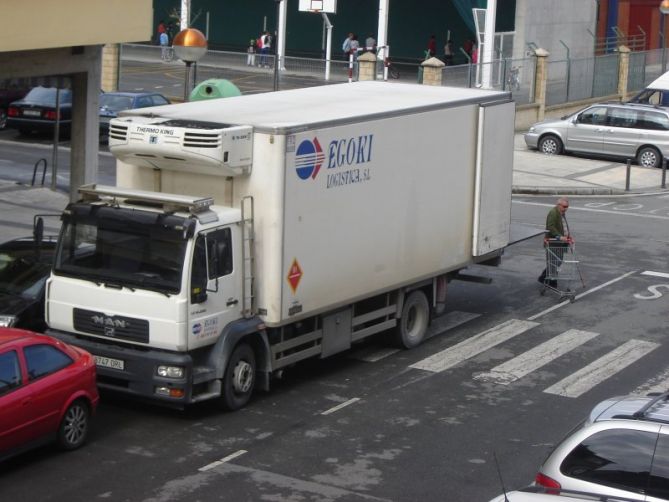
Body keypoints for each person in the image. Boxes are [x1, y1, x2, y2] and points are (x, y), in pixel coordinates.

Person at [538, 198, 571, 288]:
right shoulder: (553, 213)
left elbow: (564, 227)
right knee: (553, 262)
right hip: (553, 243)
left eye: (567, 207)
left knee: (557, 261)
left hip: (561, 243)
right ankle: (551, 280)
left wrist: (568, 236)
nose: (566, 208)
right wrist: (559, 236)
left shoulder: (562, 213)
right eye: (564, 206)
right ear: (558, 205)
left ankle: (545, 277)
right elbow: (550, 227)